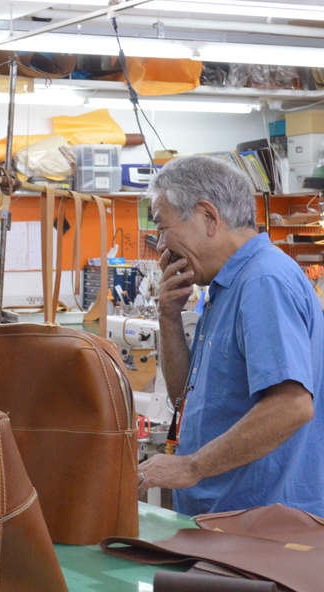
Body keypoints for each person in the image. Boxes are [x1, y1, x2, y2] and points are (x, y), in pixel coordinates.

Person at [138, 154, 324, 517]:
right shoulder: (225, 285)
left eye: (162, 227)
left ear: (208, 217)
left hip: (260, 525)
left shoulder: (263, 281)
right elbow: (186, 400)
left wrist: (190, 467)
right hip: (224, 518)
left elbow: (292, 405)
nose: (160, 246)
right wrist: (169, 318)